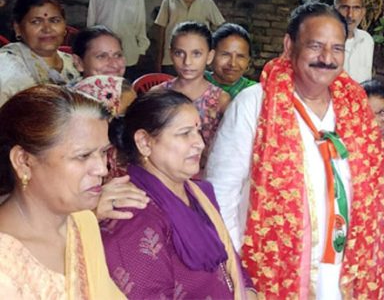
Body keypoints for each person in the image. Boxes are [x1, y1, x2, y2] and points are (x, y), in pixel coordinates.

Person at [206, 1, 384, 298]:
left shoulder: (356, 108)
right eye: (315, 46)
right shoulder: (256, 103)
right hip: (271, 270)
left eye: (337, 48)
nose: (327, 58)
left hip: (344, 272)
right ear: (289, 46)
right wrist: (236, 264)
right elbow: (221, 192)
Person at [101, 88, 255, 299]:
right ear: (145, 143)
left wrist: (248, 291)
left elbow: (229, 263)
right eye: (184, 134)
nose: (200, 143)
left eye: (198, 130)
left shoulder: (200, 194)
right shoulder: (133, 214)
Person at [0, 85, 124, 298]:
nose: (102, 169)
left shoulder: (82, 222)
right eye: (83, 156)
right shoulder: (6, 265)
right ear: (23, 161)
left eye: (103, 152)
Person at [154, 22, 230, 170]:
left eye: (196, 54)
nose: (187, 62)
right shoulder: (158, 94)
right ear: (170, 54)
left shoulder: (221, 100)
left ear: (209, 56)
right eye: (179, 53)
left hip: (205, 176)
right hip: (165, 173)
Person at [0, 0, 80, 106]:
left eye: (55, 20)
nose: (47, 29)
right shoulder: (5, 67)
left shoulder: (76, 64)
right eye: (36, 22)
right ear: (17, 28)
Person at [86, 0, 150, 80]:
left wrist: (141, 51)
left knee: (126, 93)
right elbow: (91, 25)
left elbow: (140, 25)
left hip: (129, 54)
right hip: (102, 55)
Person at [154, 0, 225, 74]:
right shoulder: (169, 0)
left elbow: (221, 27)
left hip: (197, 60)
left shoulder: (206, 1)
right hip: (171, 59)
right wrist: (159, 59)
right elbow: (161, 30)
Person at [334, 0, 374, 82]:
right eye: (344, 8)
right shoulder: (324, 42)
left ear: (363, 12)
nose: (350, 15)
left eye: (356, 8)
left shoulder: (367, 40)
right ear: (334, 10)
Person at [206, 23, 256, 99]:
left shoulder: (254, 91)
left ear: (248, 61)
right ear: (211, 55)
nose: (232, 63)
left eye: (240, 56)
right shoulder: (196, 82)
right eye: (225, 54)